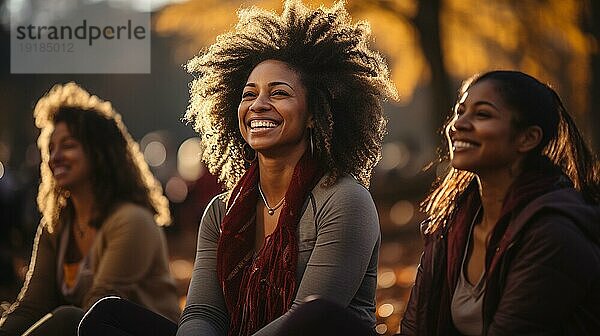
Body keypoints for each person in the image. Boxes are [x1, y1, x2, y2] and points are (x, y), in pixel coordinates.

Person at [78, 1, 397, 335]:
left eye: (279, 93)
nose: (259, 105)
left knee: (313, 315)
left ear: (315, 114)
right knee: (106, 316)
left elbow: (305, 319)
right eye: (249, 94)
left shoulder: (345, 200)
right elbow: (203, 312)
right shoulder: (221, 211)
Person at [399, 70, 600, 335]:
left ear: (527, 139)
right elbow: (414, 327)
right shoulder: (451, 220)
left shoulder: (553, 233)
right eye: (460, 112)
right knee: (326, 316)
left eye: (482, 114)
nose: (457, 125)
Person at [0, 83, 180, 336]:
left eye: (68, 145)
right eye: (51, 149)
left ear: (99, 153)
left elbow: (96, 313)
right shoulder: (56, 225)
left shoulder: (131, 220)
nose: (56, 156)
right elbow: (31, 307)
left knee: (68, 318)